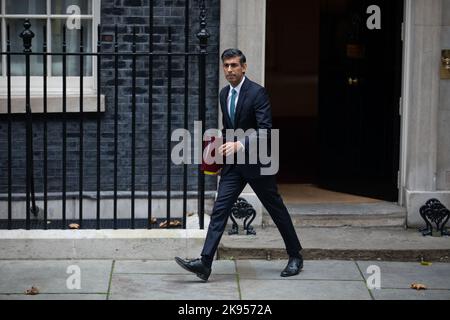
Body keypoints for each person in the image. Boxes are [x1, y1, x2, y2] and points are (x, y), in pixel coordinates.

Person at [175, 48, 303, 282]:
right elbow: (228, 129)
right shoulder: (225, 94)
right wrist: (219, 156)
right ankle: (205, 263)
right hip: (233, 165)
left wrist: (240, 145)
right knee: (219, 211)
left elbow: (265, 130)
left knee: (276, 209)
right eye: (226, 66)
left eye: (234, 65)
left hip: (257, 162)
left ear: (244, 67)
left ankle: (295, 255)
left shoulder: (257, 93)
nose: (230, 70)